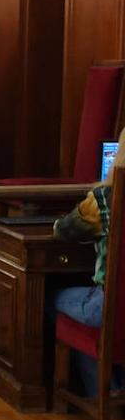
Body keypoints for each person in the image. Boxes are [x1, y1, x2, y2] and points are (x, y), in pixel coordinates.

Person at [50, 130, 125, 396]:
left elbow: (63, 230)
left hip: (111, 308)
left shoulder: (105, 199)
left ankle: (102, 393)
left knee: (51, 297)